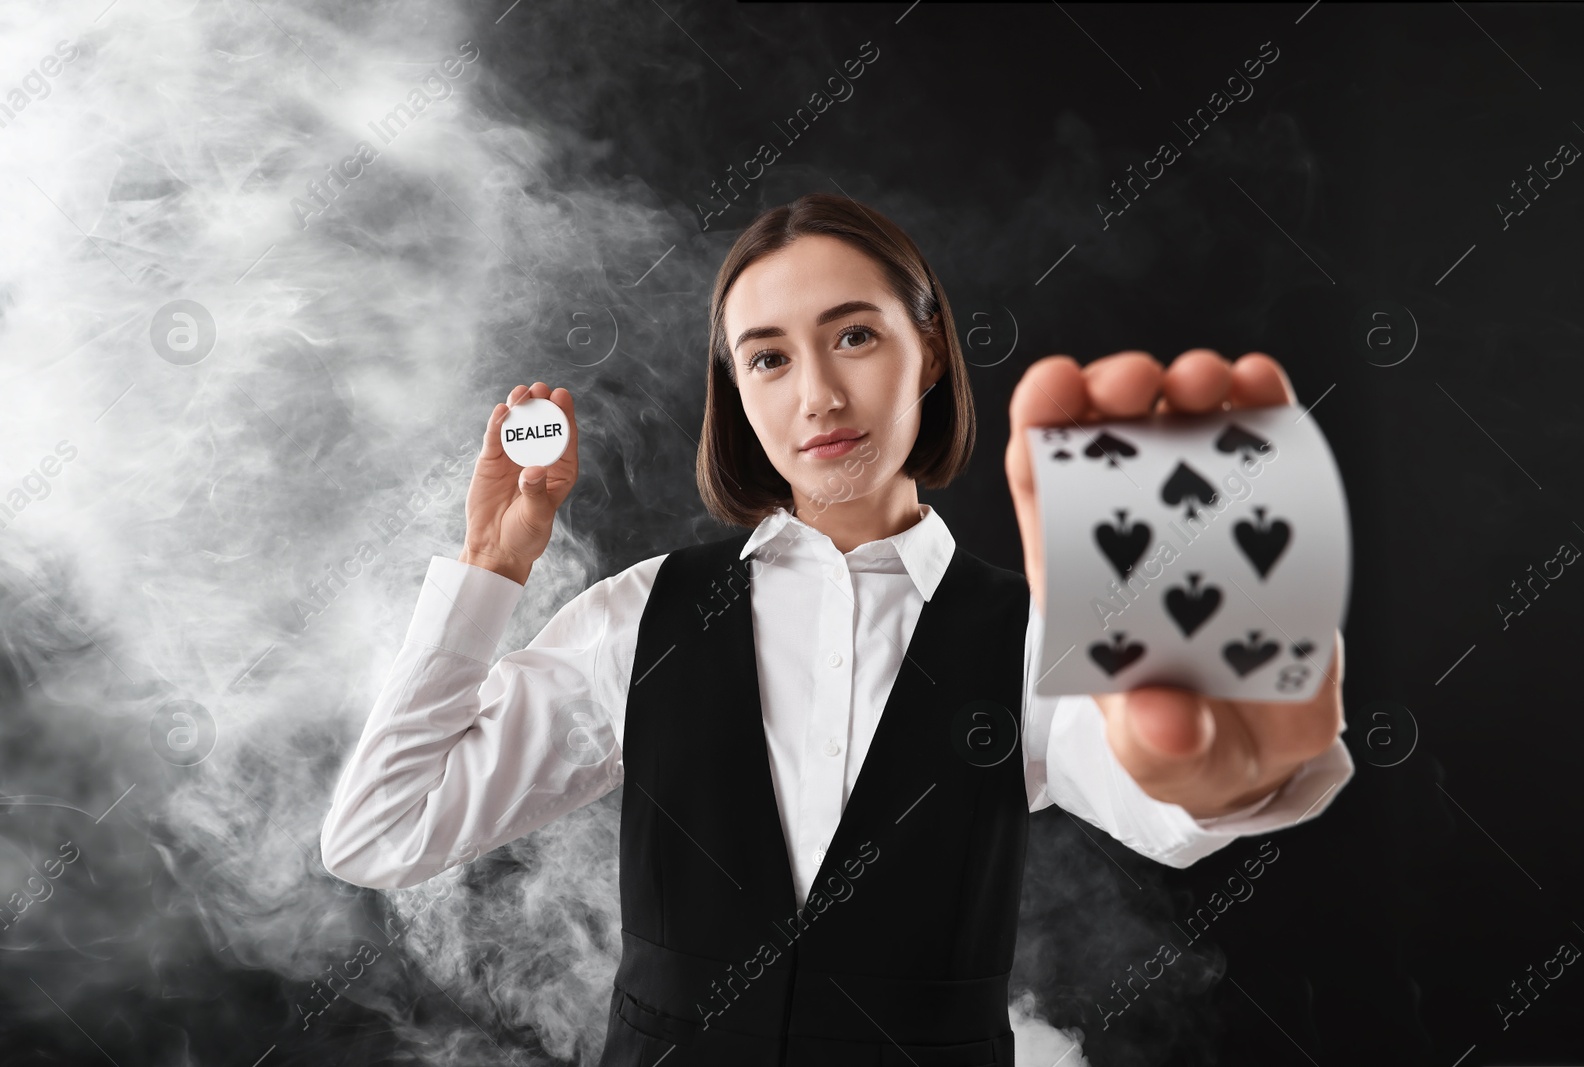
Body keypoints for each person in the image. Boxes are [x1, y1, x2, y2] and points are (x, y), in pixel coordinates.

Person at [320, 192, 1353, 1065]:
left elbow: (1170, 804)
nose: (817, 394)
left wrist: (1241, 766)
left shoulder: (1027, 635)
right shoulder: (641, 616)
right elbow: (381, 829)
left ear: (932, 350)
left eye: (854, 334)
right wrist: (491, 569)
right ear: (739, 392)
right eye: (767, 359)